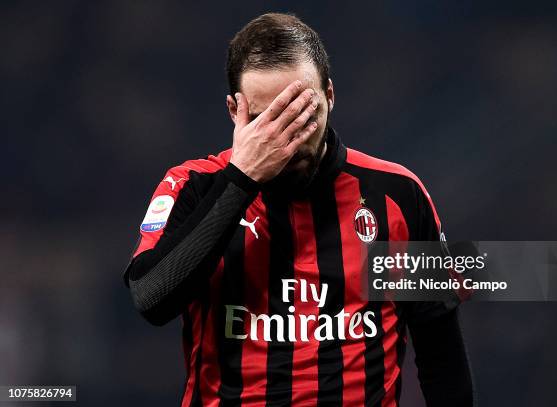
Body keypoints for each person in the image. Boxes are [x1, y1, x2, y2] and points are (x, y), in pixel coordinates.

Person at [123, 12, 473, 407]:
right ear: (232, 111)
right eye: (264, 120)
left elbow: (440, 354)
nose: (285, 140)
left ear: (330, 95)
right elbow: (152, 300)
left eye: (301, 114)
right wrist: (241, 180)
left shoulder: (399, 195)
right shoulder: (193, 185)